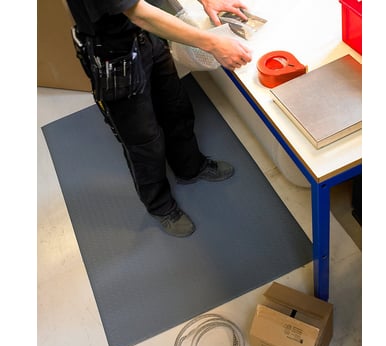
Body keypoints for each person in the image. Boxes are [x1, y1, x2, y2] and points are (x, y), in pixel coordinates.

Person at [64, 0, 252, 237]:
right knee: (143, 141)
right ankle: (160, 205)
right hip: (114, 54)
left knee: (176, 109)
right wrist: (213, 43)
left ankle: (190, 167)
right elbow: (138, 13)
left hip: (148, 36)